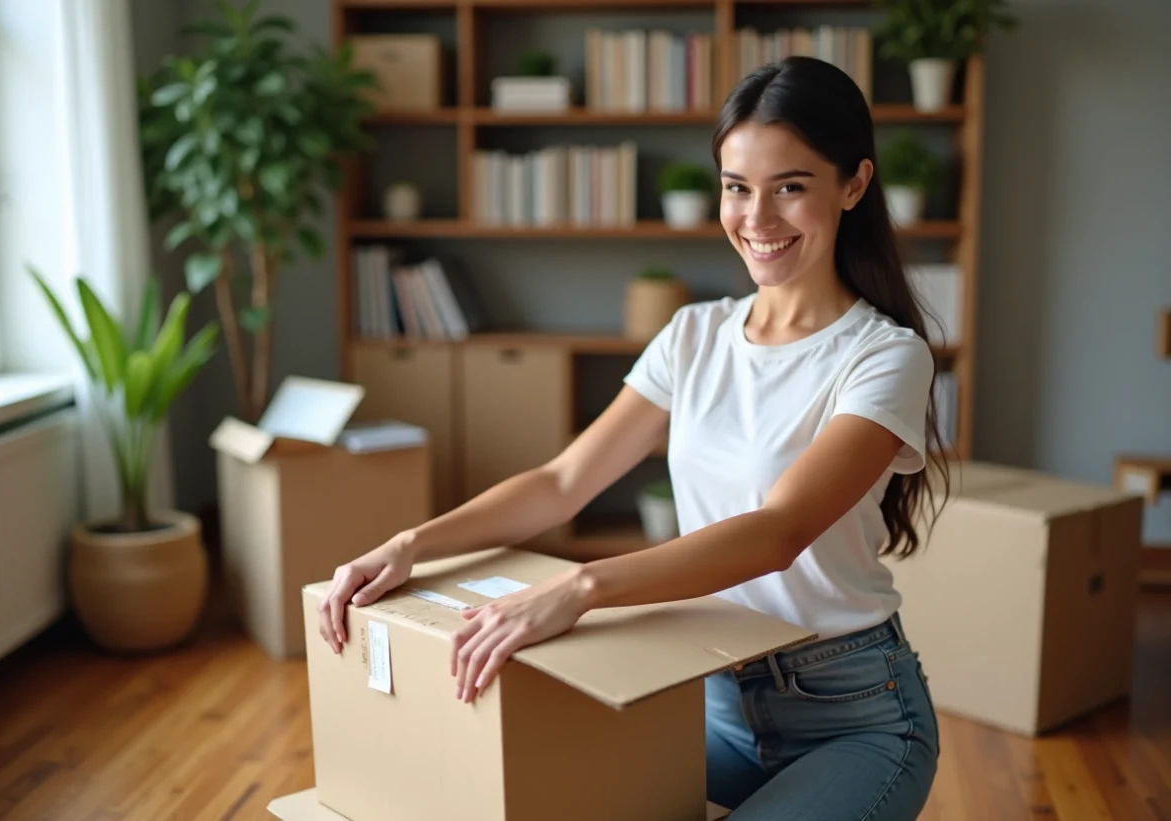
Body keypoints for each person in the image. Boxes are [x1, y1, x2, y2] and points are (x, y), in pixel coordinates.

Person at [318, 55, 949, 820]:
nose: (757, 218)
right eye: (736, 187)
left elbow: (777, 532)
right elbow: (561, 483)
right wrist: (412, 544)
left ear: (853, 185)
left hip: (852, 713)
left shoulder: (883, 356)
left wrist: (581, 589)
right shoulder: (693, 335)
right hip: (713, 693)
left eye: (791, 186)